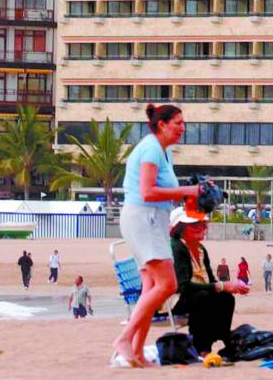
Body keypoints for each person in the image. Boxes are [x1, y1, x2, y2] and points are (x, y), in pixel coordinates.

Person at [113, 104, 206, 368]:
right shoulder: (151, 148)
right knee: (167, 285)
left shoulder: (163, 152)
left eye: (183, 123)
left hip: (151, 219)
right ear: (162, 124)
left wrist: (191, 197)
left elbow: (165, 192)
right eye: (178, 123)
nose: (182, 128)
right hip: (145, 218)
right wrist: (190, 190)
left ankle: (137, 351)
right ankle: (124, 339)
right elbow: (147, 191)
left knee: (151, 287)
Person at [170, 208, 249, 354]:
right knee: (203, 298)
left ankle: (225, 340)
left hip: (194, 295)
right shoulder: (177, 248)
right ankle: (201, 346)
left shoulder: (201, 249)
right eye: (194, 225)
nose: (201, 228)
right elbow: (183, 286)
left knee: (226, 298)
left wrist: (227, 287)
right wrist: (220, 286)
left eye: (202, 224)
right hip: (175, 300)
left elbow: (211, 280)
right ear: (180, 228)